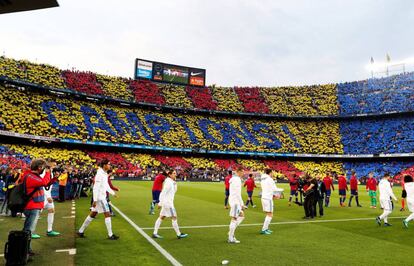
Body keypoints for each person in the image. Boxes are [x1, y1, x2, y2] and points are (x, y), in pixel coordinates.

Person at [77, 159, 119, 240]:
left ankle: (80, 231)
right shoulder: (99, 174)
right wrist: (95, 200)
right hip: (100, 198)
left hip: (100, 197)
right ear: (104, 165)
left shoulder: (104, 173)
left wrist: (113, 193)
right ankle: (110, 235)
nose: (110, 166)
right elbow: (96, 188)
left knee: (93, 214)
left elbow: (106, 186)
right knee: (107, 214)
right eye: (108, 164)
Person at [22, 159, 55, 255]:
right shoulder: (31, 176)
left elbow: (44, 183)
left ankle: (26, 249)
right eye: (42, 167)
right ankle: (25, 250)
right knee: (29, 230)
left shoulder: (31, 175)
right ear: (39, 167)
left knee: (28, 229)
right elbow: (43, 182)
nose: (44, 169)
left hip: (34, 206)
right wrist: (48, 173)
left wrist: (52, 178)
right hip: (32, 207)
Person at [152, 170, 188, 239]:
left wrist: (175, 183)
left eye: (175, 173)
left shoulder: (171, 182)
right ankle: (179, 234)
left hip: (167, 203)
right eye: (174, 173)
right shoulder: (168, 182)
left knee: (161, 217)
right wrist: (160, 203)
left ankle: (155, 233)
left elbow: (174, 191)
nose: (175, 174)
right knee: (174, 217)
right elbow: (163, 192)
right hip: (168, 204)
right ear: (170, 175)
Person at [227, 167, 245, 244]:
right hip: (235, 201)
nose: (243, 173)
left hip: (233, 200)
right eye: (242, 172)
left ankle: (230, 233)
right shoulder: (237, 180)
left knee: (241, 216)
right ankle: (231, 237)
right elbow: (238, 193)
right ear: (238, 172)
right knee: (234, 218)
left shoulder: (234, 179)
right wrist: (242, 204)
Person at [260, 168, 277, 235]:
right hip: (268, 198)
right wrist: (277, 194)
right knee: (270, 214)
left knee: (268, 213)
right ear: (270, 173)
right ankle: (264, 229)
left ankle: (266, 228)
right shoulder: (270, 179)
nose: (272, 174)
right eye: (272, 172)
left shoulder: (263, 179)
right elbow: (274, 189)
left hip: (264, 197)